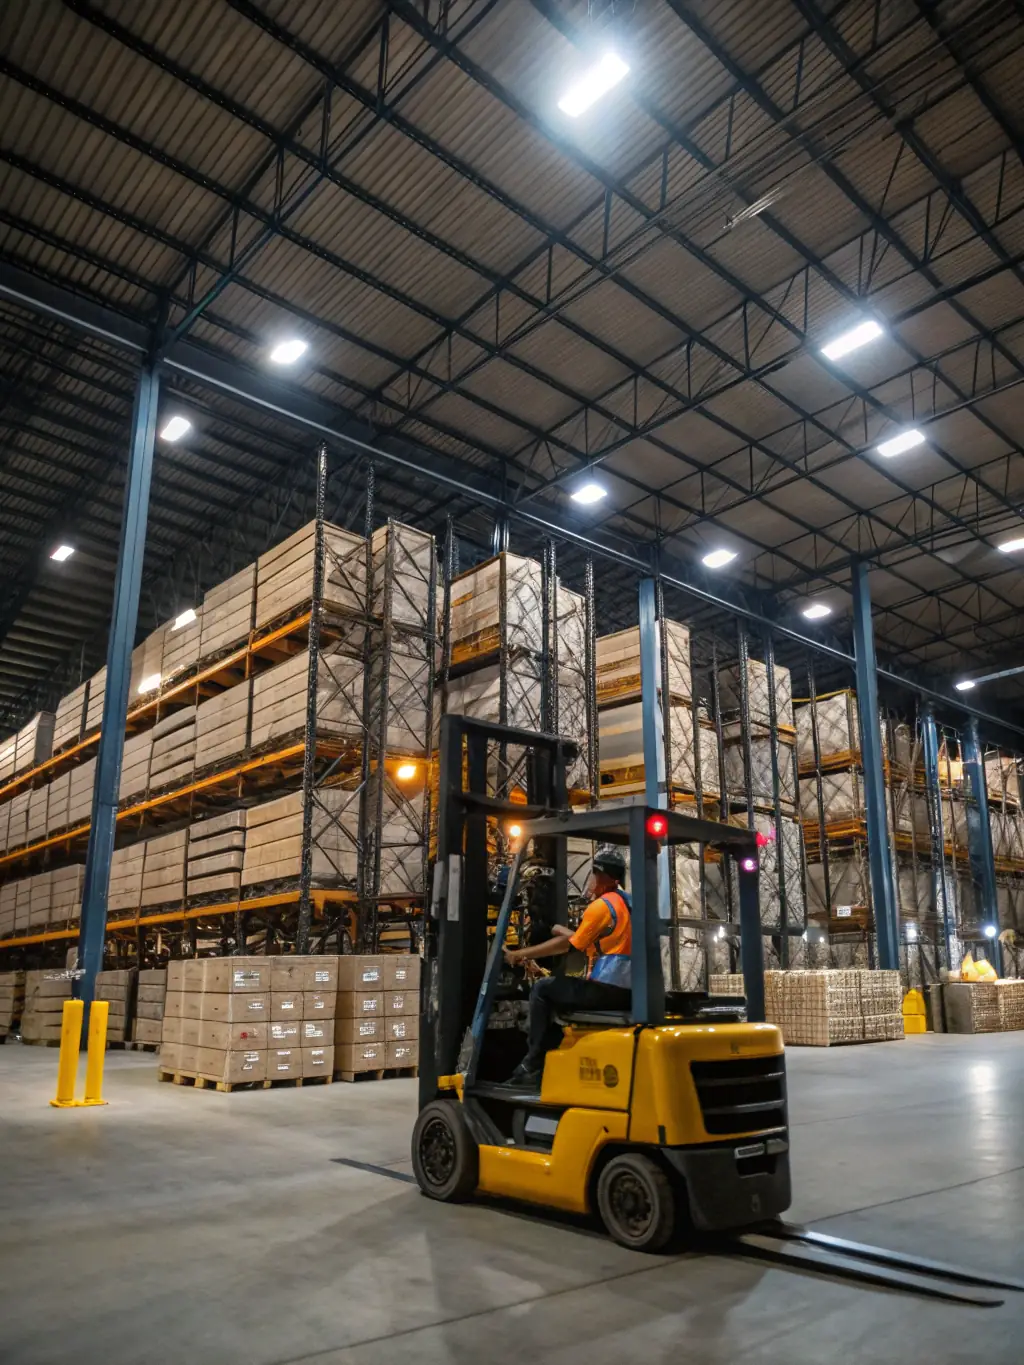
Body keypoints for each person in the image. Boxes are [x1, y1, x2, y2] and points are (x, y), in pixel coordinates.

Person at [501, 846, 632, 1089]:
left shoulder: (600, 906)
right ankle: (553, 1054)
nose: (590, 881)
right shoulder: (627, 903)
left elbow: (567, 947)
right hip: (629, 990)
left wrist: (519, 954)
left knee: (542, 989)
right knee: (559, 991)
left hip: (606, 988)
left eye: (593, 875)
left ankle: (533, 1064)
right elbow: (589, 940)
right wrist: (555, 927)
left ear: (601, 876)